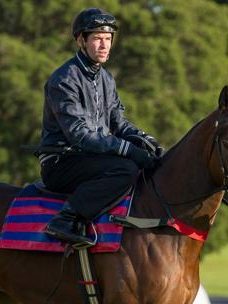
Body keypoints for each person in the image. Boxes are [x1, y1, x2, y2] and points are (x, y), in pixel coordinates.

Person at [38, 7, 163, 246]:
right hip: (61, 163)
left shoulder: (106, 78)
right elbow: (80, 136)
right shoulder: (63, 79)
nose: (104, 45)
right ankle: (66, 219)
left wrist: (147, 141)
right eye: (96, 38)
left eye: (108, 39)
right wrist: (128, 150)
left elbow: (119, 124)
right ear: (80, 40)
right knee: (125, 169)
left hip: (90, 159)